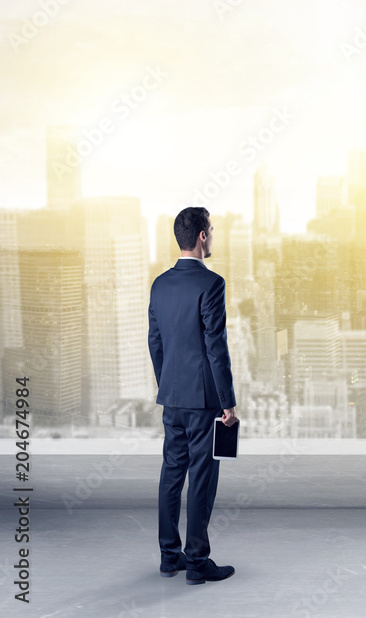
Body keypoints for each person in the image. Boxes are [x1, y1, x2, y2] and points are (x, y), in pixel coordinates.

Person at [148, 206, 238, 585]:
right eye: (212, 230)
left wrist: (166, 382)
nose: (213, 235)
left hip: (172, 397)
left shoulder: (159, 284)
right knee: (201, 477)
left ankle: (170, 556)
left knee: (171, 473)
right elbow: (216, 346)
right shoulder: (211, 284)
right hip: (204, 401)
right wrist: (228, 401)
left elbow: (155, 342)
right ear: (202, 236)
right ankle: (197, 562)